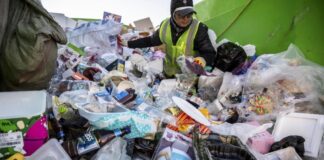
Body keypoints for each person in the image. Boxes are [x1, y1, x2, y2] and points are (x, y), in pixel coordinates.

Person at [123, 0, 216, 77]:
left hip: (188, 77)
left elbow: (209, 53)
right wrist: (128, 44)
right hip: (169, 73)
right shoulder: (165, 25)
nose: (186, 19)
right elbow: (150, 40)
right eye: (181, 15)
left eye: (189, 15)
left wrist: (199, 62)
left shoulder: (198, 28)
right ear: (173, 13)